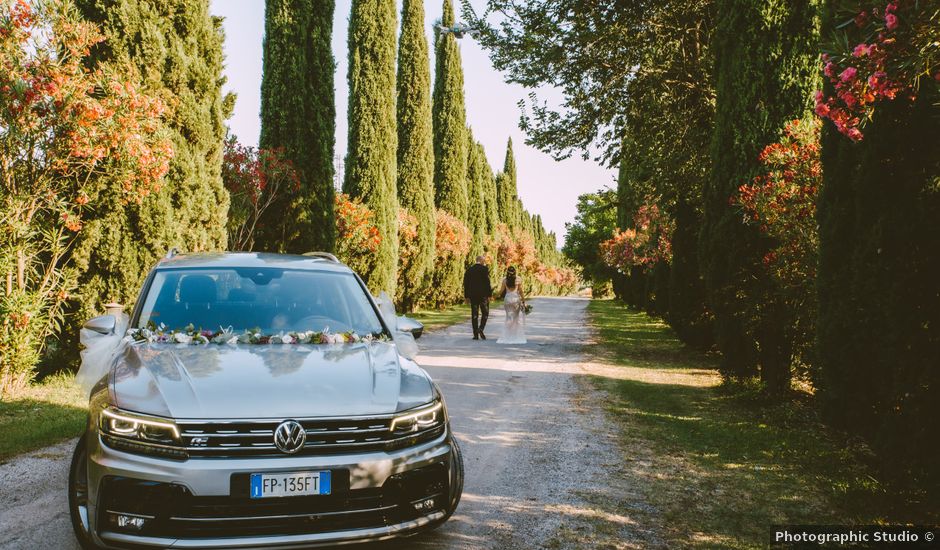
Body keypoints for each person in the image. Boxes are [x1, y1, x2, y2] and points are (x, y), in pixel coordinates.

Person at [463, 255, 492, 340]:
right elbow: (487, 283)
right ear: (481, 260)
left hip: (473, 295)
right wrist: (489, 295)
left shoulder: (469, 270)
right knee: (485, 313)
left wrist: (466, 296)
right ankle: (481, 328)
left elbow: (466, 284)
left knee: (474, 314)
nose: (484, 262)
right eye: (484, 261)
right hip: (483, 296)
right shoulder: (484, 269)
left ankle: (475, 335)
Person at [497, 266, 526, 344]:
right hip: (516, 299)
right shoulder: (518, 279)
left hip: (507, 299)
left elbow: (501, 291)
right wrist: (523, 300)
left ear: (507, 272)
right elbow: (521, 291)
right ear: (515, 272)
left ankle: (507, 335)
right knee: (516, 319)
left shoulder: (504, 280)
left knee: (508, 317)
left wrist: (494, 296)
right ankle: (514, 335)